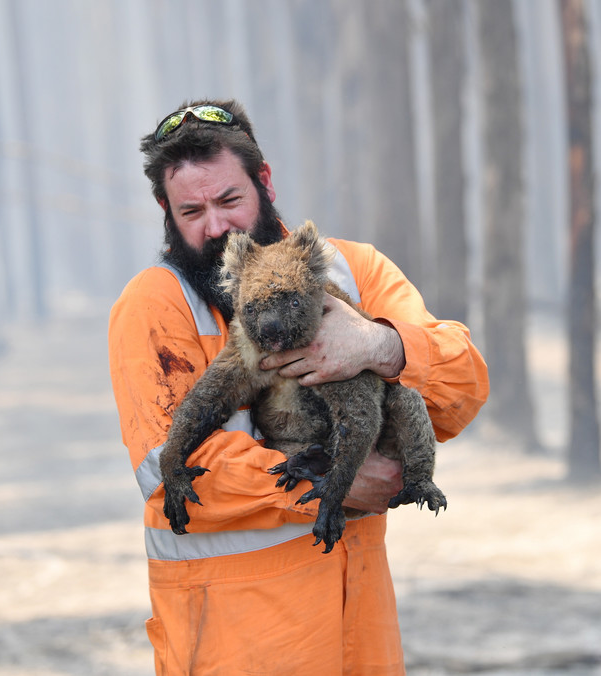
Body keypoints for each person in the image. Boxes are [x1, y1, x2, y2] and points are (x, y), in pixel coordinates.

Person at [108, 99, 489, 675]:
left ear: (264, 182)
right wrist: (324, 483)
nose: (216, 227)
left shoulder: (350, 270)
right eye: (191, 210)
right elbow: (168, 467)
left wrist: (379, 346)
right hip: (232, 647)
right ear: (165, 210)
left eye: (230, 200)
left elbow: (463, 385)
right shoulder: (155, 306)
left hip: (360, 638)